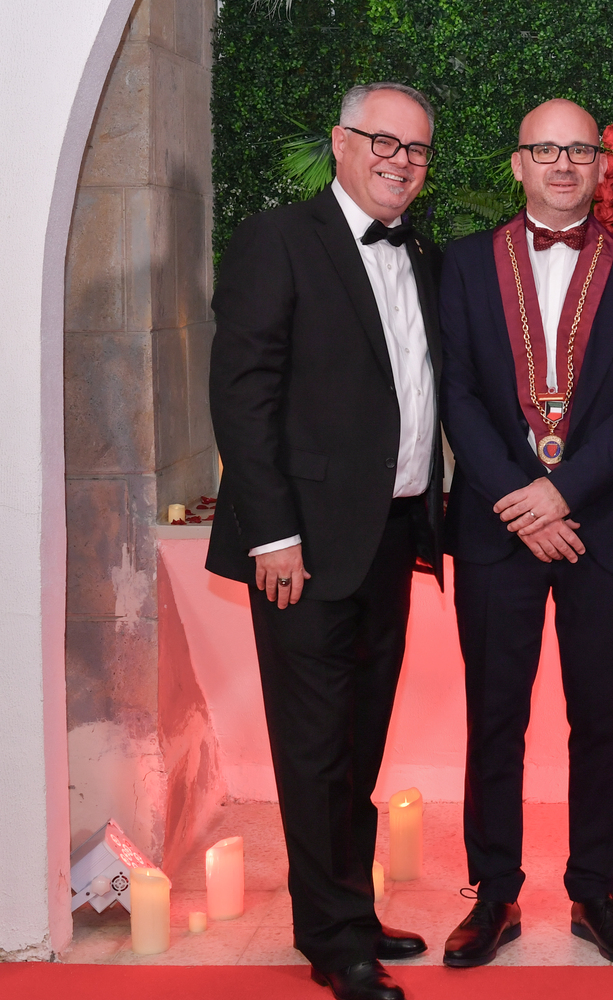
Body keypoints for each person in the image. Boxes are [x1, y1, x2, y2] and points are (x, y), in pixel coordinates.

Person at [208, 82, 444, 1000]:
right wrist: (272, 533)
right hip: (300, 545)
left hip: (392, 534)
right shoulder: (278, 239)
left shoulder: (418, 253)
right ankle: (333, 939)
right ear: (341, 143)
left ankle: (350, 904)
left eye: (416, 148)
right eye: (383, 141)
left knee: (361, 736)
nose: (399, 160)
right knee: (314, 746)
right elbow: (243, 393)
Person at [437, 98, 613, 969]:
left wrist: (562, 492)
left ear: (603, 165)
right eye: (546, 150)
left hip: (601, 527)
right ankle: (494, 893)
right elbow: (455, 392)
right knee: (494, 717)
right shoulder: (463, 264)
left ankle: (595, 892)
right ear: (518, 164)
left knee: (600, 720)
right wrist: (520, 498)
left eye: (579, 150)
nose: (564, 164)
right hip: (497, 527)